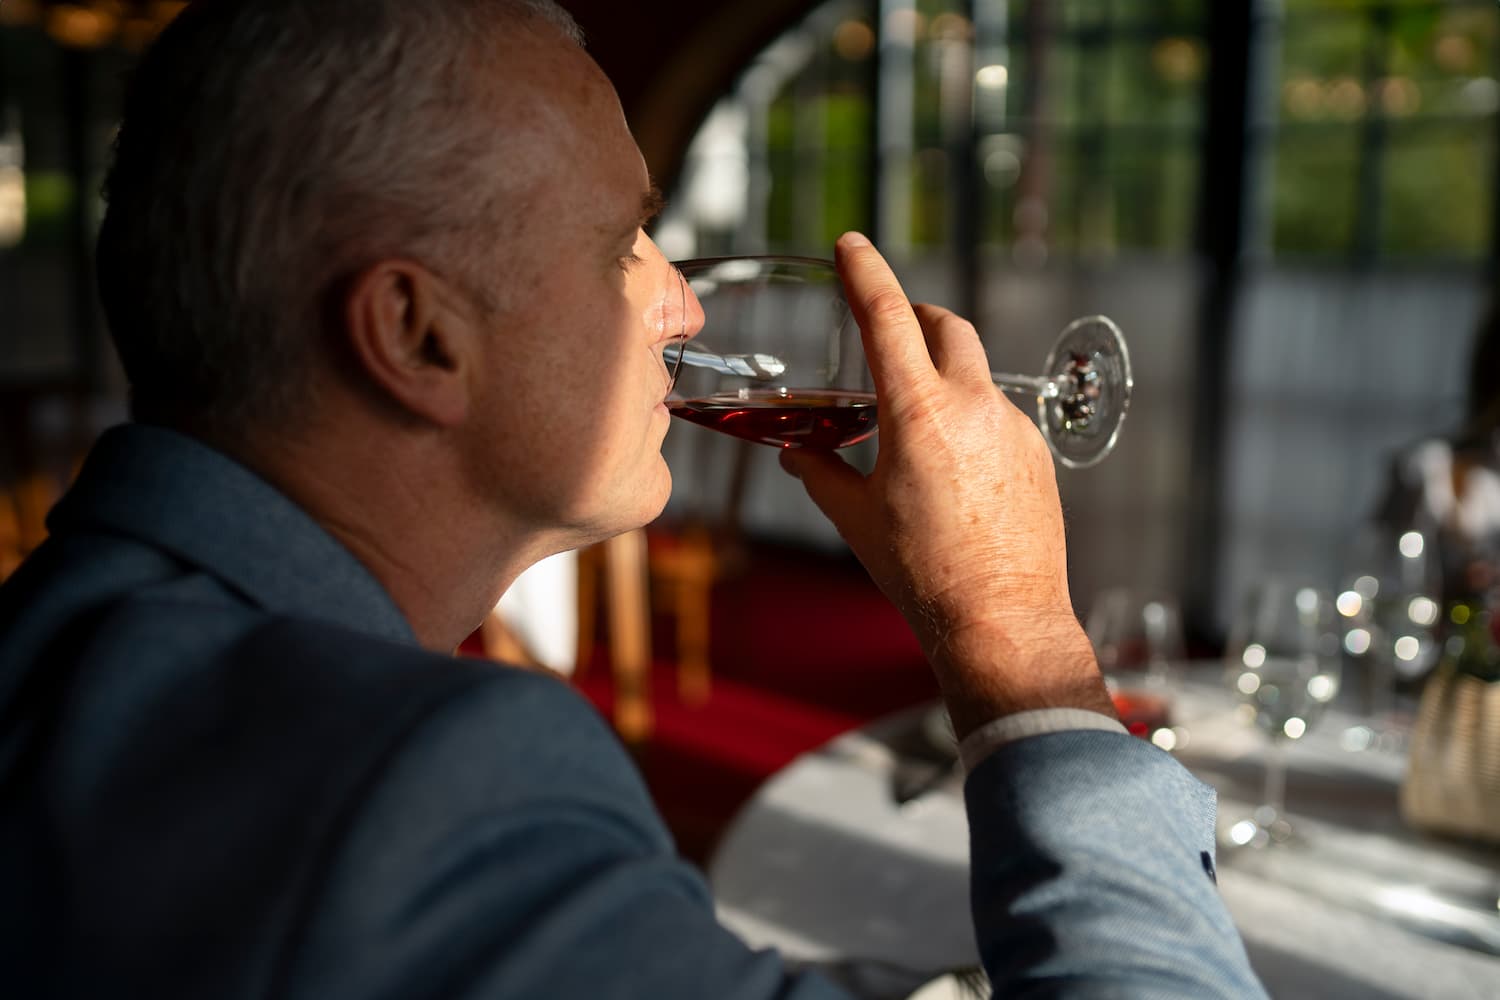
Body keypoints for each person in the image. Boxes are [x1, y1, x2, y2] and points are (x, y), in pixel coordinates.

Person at [0, 1, 1265, 996]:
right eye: (625, 243)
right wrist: (1016, 637)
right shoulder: (421, 786)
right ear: (416, 333)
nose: (688, 305)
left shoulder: (59, 641)